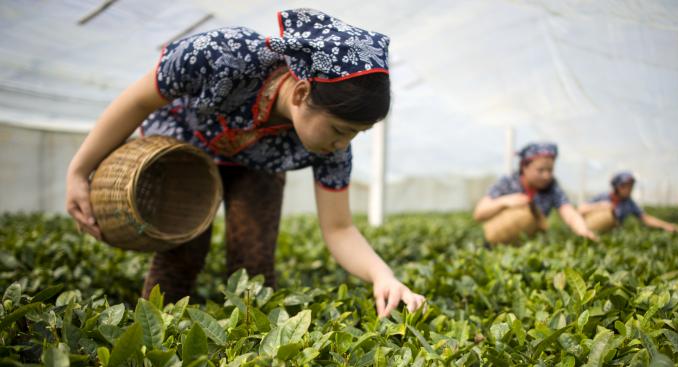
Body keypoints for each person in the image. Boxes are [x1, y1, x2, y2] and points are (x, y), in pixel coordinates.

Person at [66, 8, 425, 317]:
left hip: (257, 163)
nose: (343, 143)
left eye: (355, 134)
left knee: (253, 264)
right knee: (182, 251)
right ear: (301, 93)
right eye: (340, 129)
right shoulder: (225, 54)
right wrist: (79, 171)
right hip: (188, 143)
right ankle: (155, 341)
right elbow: (139, 100)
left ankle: (248, 356)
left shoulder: (331, 149)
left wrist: (383, 276)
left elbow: (339, 229)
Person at [473, 142, 597, 243]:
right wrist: (505, 202)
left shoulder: (552, 187)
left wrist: (582, 230)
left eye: (550, 170)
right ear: (524, 167)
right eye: (540, 170)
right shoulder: (508, 182)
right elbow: (479, 213)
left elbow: (568, 211)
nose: (546, 175)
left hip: (531, 244)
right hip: (497, 240)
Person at [578, 172, 678, 232]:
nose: (629, 189)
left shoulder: (629, 203)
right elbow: (581, 209)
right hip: (590, 229)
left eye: (630, 186)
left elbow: (645, 218)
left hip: (611, 234)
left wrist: (666, 225)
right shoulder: (603, 197)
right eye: (625, 186)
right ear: (617, 187)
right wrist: (600, 206)